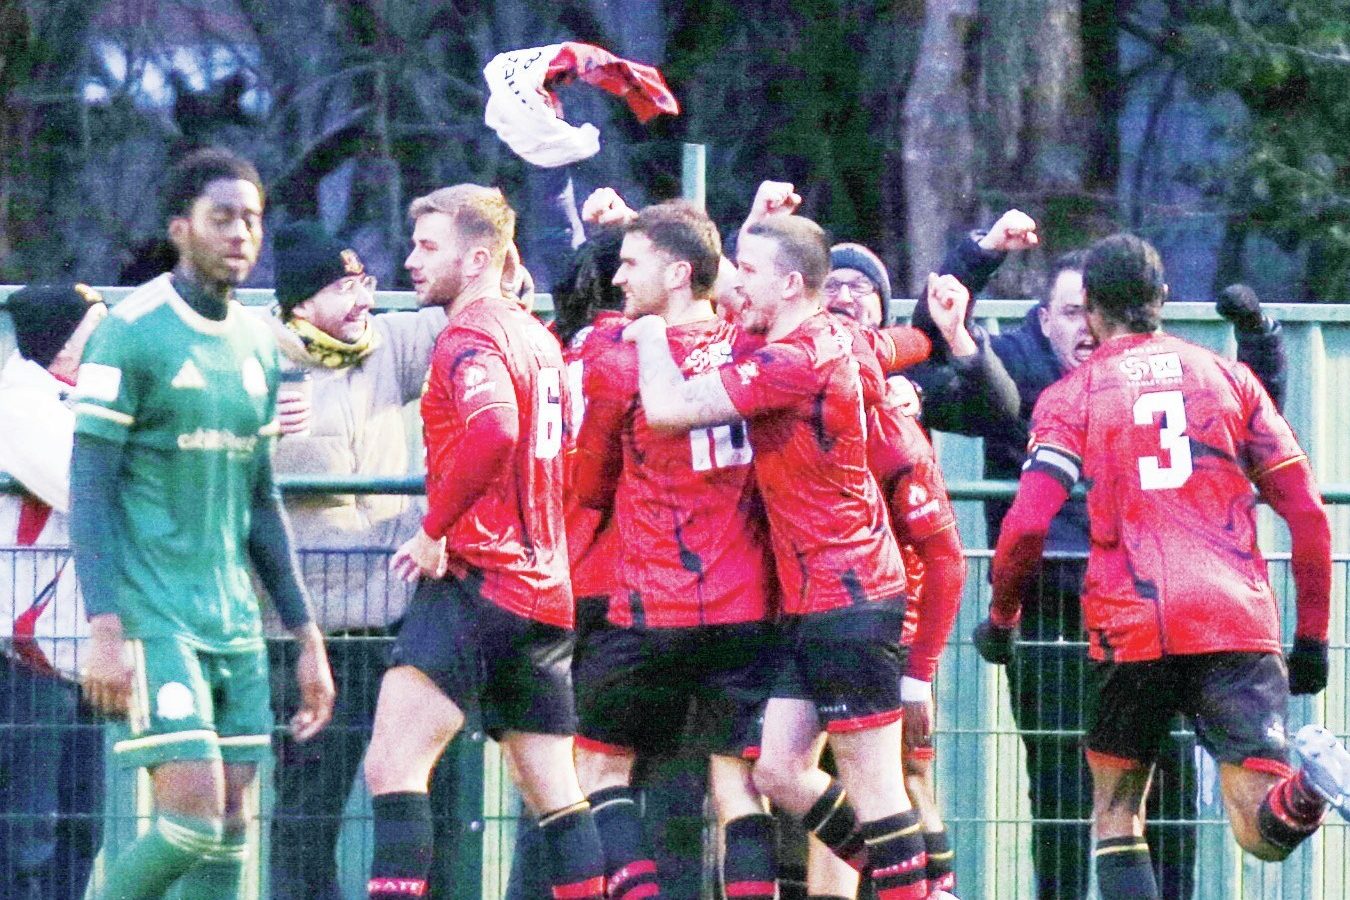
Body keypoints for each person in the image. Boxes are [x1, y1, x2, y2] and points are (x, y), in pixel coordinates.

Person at [911, 212, 1289, 899]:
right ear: (1044, 323)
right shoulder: (1021, 385)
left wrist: (1263, 341)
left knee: (1163, 792)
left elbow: (1252, 422)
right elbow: (938, 355)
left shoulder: (1170, 381)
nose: (1084, 326)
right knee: (1061, 791)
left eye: (1091, 308)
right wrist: (975, 262)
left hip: (1148, 617)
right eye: (1067, 310)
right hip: (1057, 614)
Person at [625, 209, 934, 899]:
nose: (738, 289)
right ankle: (903, 878)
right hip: (810, 599)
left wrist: (648, 332)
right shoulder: (832, 335)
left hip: (851, 597)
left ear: (791, 285)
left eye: (752, 274)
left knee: (879, 788)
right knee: (777, 772)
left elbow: (669, 408)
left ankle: (916, 883)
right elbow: (902, 342)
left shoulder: (795, 361)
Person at [69, 147, 335, 899]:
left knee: (228, 831)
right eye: (223, 218)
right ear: (180, 228)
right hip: (157, 621)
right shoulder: (130, 331)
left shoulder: (258, 342)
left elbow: (262, 503)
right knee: (187, 820)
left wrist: (306, 635)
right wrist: (104, 626)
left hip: (236, 623)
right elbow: (88, 489)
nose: (241, 234)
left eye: (252, 219)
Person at [364, 184, 606, 900]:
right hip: (545, 595)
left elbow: (495, 426)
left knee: (392, 768)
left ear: (477, 260)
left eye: (426, 246)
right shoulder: (539, 338)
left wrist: (434, 528)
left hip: (479, 583)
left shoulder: (467, 338)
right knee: (557, 795)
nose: (411, 260)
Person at [569, 200, 780, 898]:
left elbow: (589, 486)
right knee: (738, 787)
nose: (619, 277)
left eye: (631, 263)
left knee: (600, 773)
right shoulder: (755, 351)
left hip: (650, 608)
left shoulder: (619, 362)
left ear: (680, 273)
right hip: (747, 607)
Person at [262, 220, 466, 899]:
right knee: (307, 808)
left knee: (410, 794)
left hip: (394, 620)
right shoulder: (256, 359)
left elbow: (478, 309)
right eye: (344, 288)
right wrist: (260, 433)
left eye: (366, 284)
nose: (363, 301)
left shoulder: (389, 346)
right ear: (298, 304)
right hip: (304, 632)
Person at [0, 284, 107, 900]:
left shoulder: (79, 401)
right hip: (27, 656)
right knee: (26, 835)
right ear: (60, 348)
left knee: (81, 828)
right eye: (98, 328)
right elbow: (88, 489)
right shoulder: (21, 407)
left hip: (76, 650)